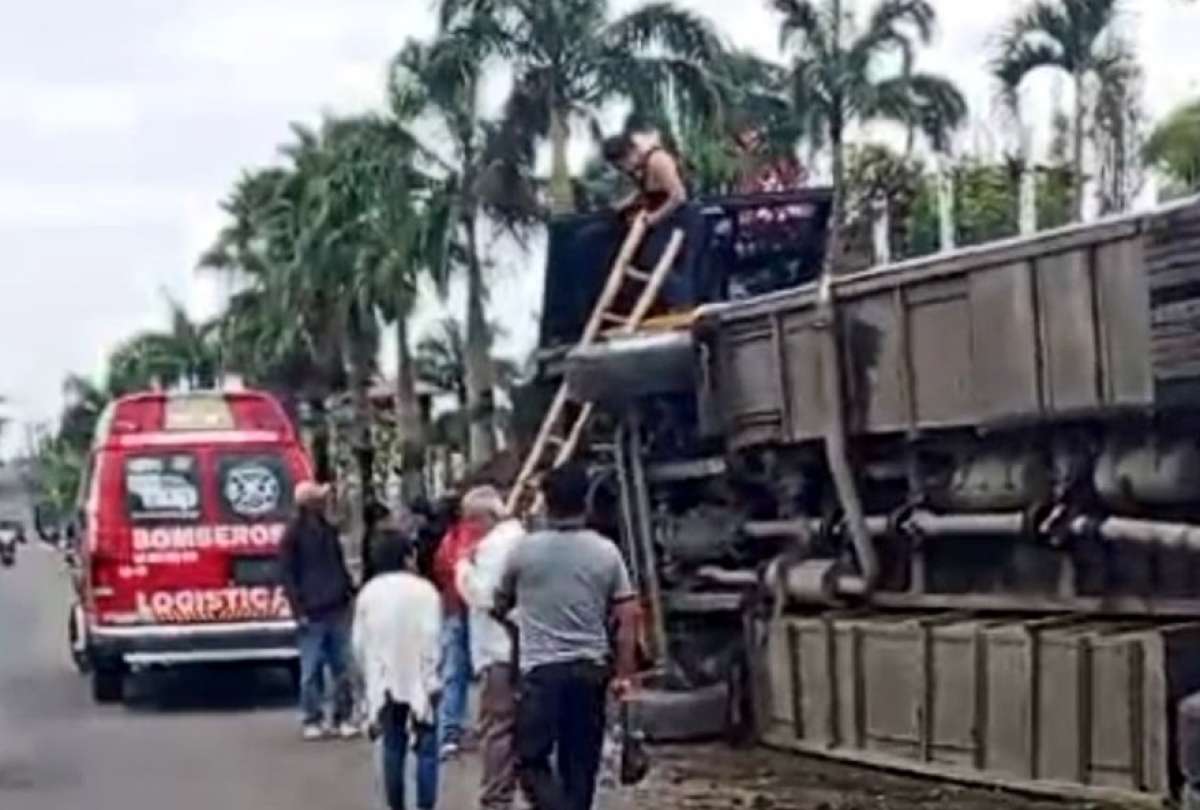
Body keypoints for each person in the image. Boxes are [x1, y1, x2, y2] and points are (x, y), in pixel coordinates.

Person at [495, 463, 640, 810]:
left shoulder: (523, 552)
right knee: (581, 766)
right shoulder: (606, 552)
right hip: (590, 672)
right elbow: (628, 618)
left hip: (541, 674)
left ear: (546, 502)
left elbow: (499, 603)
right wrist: (624, 674)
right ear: (586, 502)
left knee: (530, 760)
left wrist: (520, 624)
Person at [352, 529, 442, 810]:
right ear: (408, 556)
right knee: (427, 747)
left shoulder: (369, 594)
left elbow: (359, 643)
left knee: (392, 745)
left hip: (384, 679)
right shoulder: (425, 591)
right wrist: (433, 676)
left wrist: (366, 680)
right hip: (421, 678)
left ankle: (396, 805)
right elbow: (433, 637)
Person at [455, 489, 526, 810]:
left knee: (497, 726)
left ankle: (496, 796)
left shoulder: (495, 548)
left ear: (488, 517)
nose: (469, 526)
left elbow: (485, 596)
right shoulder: (520, 538)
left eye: (472, 519)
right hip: (518, 647)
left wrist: (463, 569)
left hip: (499, 650)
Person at [279, 481, 357, 740]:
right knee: (311, 669)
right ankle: (313, 717)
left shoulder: (327, 530)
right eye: (319, 499)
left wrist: (347, 590)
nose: (324, 503)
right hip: (312, 610)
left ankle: (342, 716)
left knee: (342, 668)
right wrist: (297, 608)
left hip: (335, 605)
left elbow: (338, 564)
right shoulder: (292, 535)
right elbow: (287, 575)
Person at [431, 490, 490, 758]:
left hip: (456, 609)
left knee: (454, 672)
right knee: (490, 669)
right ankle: (482, 729)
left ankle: (450, 732)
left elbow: (442, 570)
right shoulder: (477, 537)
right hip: (479, 612)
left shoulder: (451, 539)